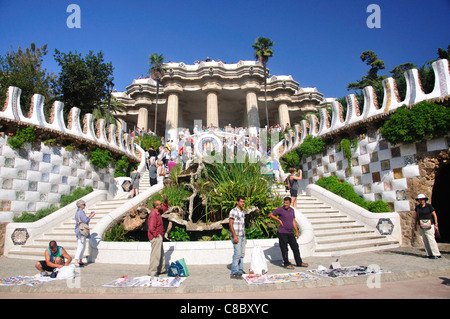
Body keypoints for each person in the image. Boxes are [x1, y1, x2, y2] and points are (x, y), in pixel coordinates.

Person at [269, 197, 308, 269]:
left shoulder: (292, 210)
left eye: (287, 203)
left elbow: (293, 220)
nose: (285, 204)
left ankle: (299, 262)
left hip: (290, 232)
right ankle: (286, 263)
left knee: (295, 247)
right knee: (284, 249)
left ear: (290, 203)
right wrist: (278, 220)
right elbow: (271, 214)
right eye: (284, 203)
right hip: (282, 232)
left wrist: (296, 231)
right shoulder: (280, 209)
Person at [414, 194, 441, 259]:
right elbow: (417, 216)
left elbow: (434, 215)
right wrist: (415, 224)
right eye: (420, 200)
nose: (421, 201)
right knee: (424, 239)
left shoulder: (429, 206)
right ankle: (429, 253)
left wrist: (436, 224)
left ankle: (436, 253)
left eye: (422, 200)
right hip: (421, 224)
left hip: (429, 224)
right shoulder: (418, 207)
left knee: (431, 238)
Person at [148, 194, 169, 276]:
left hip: (159, 236)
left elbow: (165, 207)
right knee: (155, 255)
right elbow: (151, 227)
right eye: (160, 204)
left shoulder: (158, 212)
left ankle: (161, 269)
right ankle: (152, 271)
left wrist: (166, 200)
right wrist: (156, 235)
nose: (161, 205)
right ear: (156, 206)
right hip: (155, 237)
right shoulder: (153, 214)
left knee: (161, 253)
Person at [229, 196, 247, 279]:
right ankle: (234, 271)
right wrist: (234, 235)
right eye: (241, 202)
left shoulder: (242, 212)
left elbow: (243, 225)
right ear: (237, 202)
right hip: (236, 235)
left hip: (242, 235)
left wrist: (245, 236)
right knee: (237, 253)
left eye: (243, 202)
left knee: (242, 254)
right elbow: (230, 224)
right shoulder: (233, 211)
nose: (242, 203)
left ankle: (240, 269)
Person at [74, 199, 95, 266]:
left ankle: (80, 260)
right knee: (81, 246)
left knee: (82, 246)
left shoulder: (77, 212)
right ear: (81, 205)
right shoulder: (81, 212)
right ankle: (76, 260)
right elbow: (85, 220)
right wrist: (91, 216)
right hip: (81, 231)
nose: (85, 205)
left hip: (79, 230)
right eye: (84, 204)